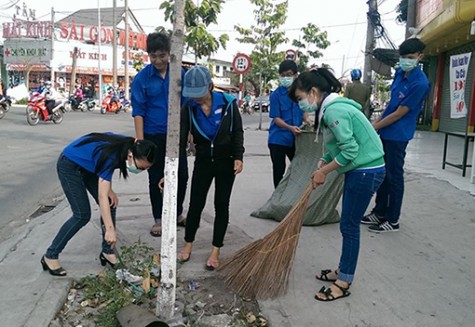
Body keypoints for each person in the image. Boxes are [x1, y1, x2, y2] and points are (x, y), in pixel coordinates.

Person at [289, 68, 385, 301]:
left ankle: (344, 281)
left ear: (313, 91)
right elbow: (339, 144)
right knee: (348, 225)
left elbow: (351, 150)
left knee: (349, 226)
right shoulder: (333, 108)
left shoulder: (334, 111)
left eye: (300, 98)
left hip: (365, 171)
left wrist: (323, 171)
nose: (301, 104)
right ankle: (342, 271)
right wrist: (324, 161)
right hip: (364, 169)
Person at [41, 133, 157, 276]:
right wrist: (110, 229)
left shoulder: (131, 145)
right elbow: (102, 195)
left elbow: (102, 170)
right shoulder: (112, 155)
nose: (140, 171)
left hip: (90, 166)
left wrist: (110, 190)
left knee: (111, 202)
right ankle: (50, 255)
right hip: (70, 165)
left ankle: (107, 252)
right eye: (141, 168)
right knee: (82, 215)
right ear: (130, 156)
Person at [177, 66, 244, 270]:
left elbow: (238, 131)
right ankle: (188, 243)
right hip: (203, 160)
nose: (196, 98)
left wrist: (239, 157)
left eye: (200, 93)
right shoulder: (189, 107)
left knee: (221, 204)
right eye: (192, 94)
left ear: (210, 86)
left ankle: (216, 249)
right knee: (196, 204)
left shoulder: (228, 103)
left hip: (226, 160)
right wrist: (172, 167)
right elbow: (181, 136)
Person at [362, 38, 430, 233]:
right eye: (403, 57)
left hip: (398, 136)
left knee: (394, 176)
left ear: (419, 57)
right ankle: (379, 211)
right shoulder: (400, 73)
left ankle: (392, 220)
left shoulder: (420, 83)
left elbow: (400, 113)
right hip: (385, 130)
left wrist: (374, 126)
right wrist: (378, 124)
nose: (406, 60)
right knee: (382, 174)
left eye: (410, 57)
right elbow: (392, 105)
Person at [131, 32, 189, 237]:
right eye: (153, 56)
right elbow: (138, 110)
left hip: (176, 134)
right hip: (152, 135)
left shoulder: (179, 74)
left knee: (182, 175)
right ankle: (159, 218)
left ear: (169, 54)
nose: (158, 60)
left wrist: (188, 132)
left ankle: (177, 213)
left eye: (162, 55)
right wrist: (140, 141)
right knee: (156, 177)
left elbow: (187, 104)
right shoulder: (141, 79)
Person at [268, 60, 308, 188]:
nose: (286, 78)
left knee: (298, 169)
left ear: (296, 75)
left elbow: (304, 111)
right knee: (278, 171)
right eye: (283, 75)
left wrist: (307, 120)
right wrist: (290, 127)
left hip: (296, 138)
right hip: (278, 139)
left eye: (289, 74)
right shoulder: (276, 95)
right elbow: (276, 118)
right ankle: (277, 198)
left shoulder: (300, 93)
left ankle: (293, 196)